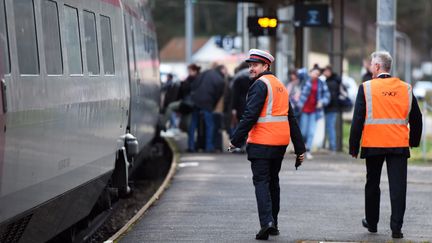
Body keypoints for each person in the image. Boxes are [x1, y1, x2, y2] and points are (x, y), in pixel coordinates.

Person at [229, 49, 305, 240]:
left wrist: (235, 140)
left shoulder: (260, 85)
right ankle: (274, 224)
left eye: (255, 65)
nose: (251, 69)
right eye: (250, 65)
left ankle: (267, 223)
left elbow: (250, 115)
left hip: (262, 142)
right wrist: (300, 148)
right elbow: (291, 118)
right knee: (273, 182)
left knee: (261, 182)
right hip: (279, 143)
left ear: (266, 66)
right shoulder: (280, 85)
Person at [349, 51, 422, 239]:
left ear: (377, 67)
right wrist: (412, 141)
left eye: (372, 64)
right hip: (398, 145)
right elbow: (417, 118)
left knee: (372, 184)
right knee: (398, 187)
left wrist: (353, 146)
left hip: (373, 144)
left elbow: (357, 119)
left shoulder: (366, 87)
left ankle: (372, 223)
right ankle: (396, 228)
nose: (370, 67)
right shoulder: (405, 88)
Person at [188, 65, 226, 152]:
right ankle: (209, 146)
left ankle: (191, 146)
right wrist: (212, 105)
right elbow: (218, 96)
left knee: (193, 124)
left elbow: (194, 84)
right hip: (207, 102)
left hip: (195, 100)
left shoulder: (205, 72)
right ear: (221, 71)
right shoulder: (220, 80)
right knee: (210, 125)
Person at [297, 67, 330, 159]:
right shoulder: (305, 80)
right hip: (304, 109)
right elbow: (299, 73)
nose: (315, 75)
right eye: (314, 72)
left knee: (311, 132)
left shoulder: (321, 83)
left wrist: (322, 102)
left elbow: (327, 96)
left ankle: (308, 150)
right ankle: (302, 147)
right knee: (303, 131)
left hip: (314, 111)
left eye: (317, 73)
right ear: (310, 72)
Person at [322, 65, 342, 152]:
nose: (324, 73)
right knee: (329, 127)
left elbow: (331, 97)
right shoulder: (334, 81)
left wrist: (325, 104)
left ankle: (332, 146)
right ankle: (330, 145)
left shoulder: (331, 82)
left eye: (325, 71)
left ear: (329, 71)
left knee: (330, 127)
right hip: (332, 108)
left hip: (331, 108)